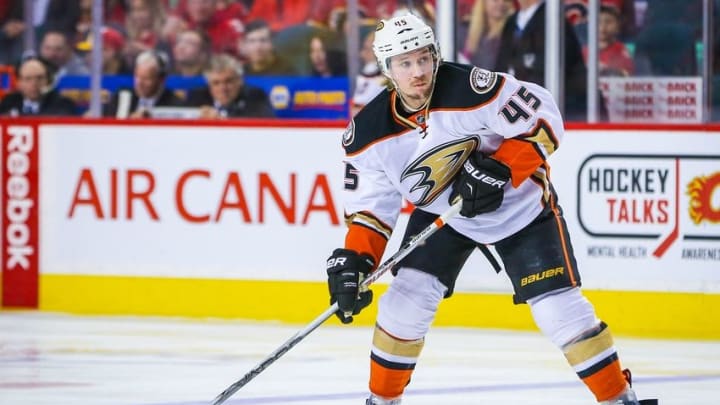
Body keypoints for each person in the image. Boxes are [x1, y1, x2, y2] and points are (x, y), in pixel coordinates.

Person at [325, 14, 657, 405]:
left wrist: (501, 166)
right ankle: (382, 400)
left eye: (424, 58)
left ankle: (619, 397)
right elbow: (370, 212)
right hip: (443, 215)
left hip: (520, 209)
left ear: (436, 55)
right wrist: (356, 262)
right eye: (404, 63)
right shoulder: (367, 133)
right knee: (404, 301)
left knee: (559, 312)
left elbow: (545, 117)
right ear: (386, 69)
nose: (418, 72)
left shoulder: (472, 88)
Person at [494, 0, 589, 121]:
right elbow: (502, 65)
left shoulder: (553, 18)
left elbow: (551, 68)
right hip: (525, 108)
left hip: (565, 112)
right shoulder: (512, 21)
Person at [187, 53, 274, 118]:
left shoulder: (256, 96)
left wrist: (220, 121)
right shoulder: (196, 97)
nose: (223, 88)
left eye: (228, 81)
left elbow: (262, 129)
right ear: (208, 84)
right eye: (216, 83)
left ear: (240, 81)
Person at [102, 50, 182, 118]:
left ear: (161, 79)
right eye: (137, 77)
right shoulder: (121, 96)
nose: (139, 83)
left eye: (146, 79)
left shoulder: (174, 104)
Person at [0, 56, 77, 116]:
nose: (34, 83)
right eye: (28, 79)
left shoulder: (62, 104)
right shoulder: (8, 102)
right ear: (19, 83)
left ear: (48, 80)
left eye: (39, 78)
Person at [460, 0, 515, 69]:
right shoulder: (464, 29)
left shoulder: (513, 31)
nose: (501, 3)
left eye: (506, 0)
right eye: (495, 0)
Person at [584, 4, 635, 77]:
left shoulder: (623, 49)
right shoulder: (584, 52)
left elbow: (628, 75)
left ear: (618, 26)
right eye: (598, 22)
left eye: (608, 22)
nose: (603, 27)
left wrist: (608, 70)